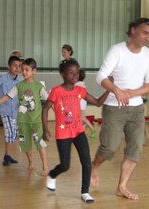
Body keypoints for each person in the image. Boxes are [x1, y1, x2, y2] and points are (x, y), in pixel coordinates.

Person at [91, 17, 149, 200]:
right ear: (133, 30)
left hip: (136, 109)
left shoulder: (148, 55)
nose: (147, 38)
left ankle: (122, 186)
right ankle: (94, 165)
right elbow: (101, 76)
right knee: (109, 147)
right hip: (114, 108)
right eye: (145, 33)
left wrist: (133, 93)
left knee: (135, 148)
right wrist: (116, 90)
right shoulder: (117, 50)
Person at [42, 58, 111, 203]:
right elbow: (45, 108)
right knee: (65, 165)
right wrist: (45, 129)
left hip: (79, 131)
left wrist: (109, 89)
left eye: (77, 72)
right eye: (71, 72)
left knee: (86, 162)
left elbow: (98, 103)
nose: (75, 75)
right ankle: (52, 175)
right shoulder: (57, 91)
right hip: (63, 134)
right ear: (62, 74)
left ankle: (85, 192)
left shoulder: (80, 90)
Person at [0, 58, 49, 176]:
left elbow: (49, 101)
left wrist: (58, 111)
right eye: (22, 70)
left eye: (27, 70)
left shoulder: (39, 86)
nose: (24, 72)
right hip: (22, 122)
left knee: (39, 143)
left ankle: (45, 166)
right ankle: (31, 162)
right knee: (25, 143)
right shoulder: (18, 85)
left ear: (34, 71)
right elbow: (8, 96)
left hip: (36, 122)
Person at [75, 69, 96, 139]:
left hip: (80, 104)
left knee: (81, 117)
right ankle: (81, 130)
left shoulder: (77, 85)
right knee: (79, 118)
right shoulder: (81, 83)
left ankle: (92, 129)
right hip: (81, 103)